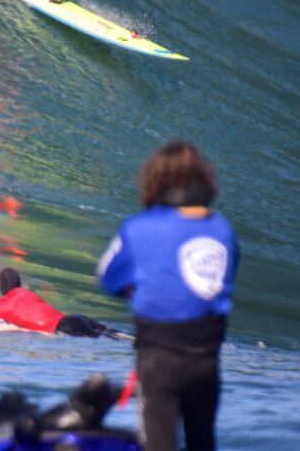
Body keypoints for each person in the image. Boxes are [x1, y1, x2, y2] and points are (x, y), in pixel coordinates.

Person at [97, 141, 238, 451]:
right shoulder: (223, 230)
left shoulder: (139, 228)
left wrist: (136, 287)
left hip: (159, 365)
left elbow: (107, 278)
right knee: (203, 444)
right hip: (207, 364)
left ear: (156, 182)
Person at [0, 267, 119, 337]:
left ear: (2, 285)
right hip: (77, 318)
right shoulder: (28, 294)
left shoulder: (2, 304)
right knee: (112, 334)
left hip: (65, 326)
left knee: (104, 339)